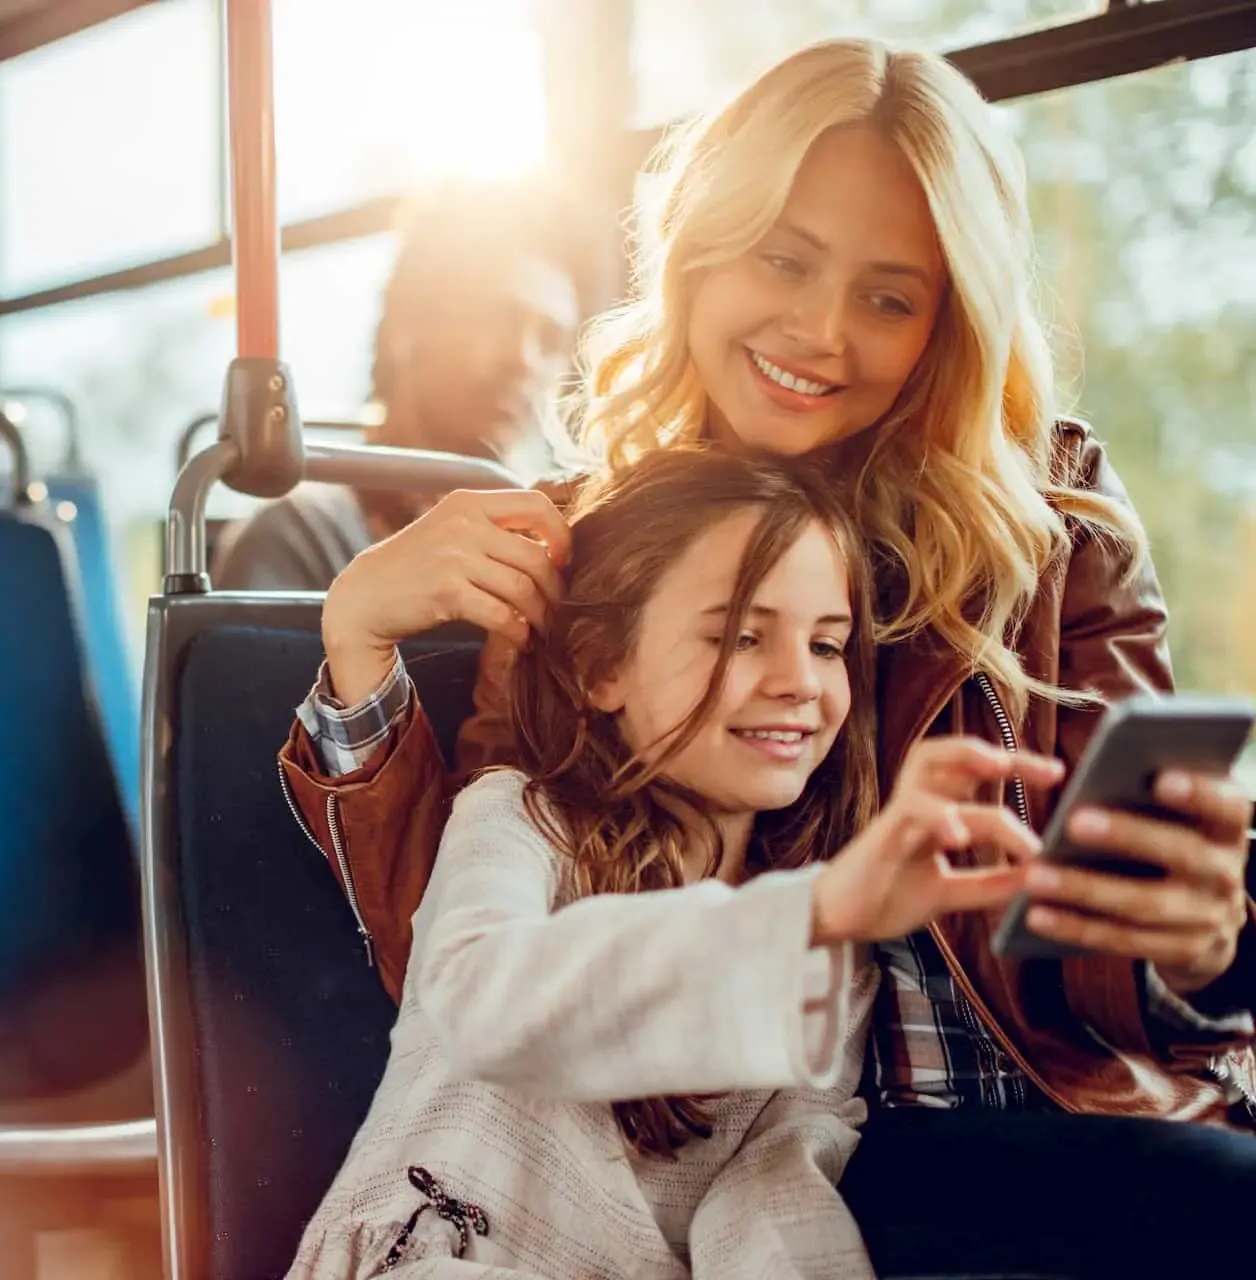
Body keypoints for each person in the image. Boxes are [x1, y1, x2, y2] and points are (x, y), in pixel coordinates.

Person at [275, 36, 1256, 1277]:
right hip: (787, 1131)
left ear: (948, 320)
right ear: (700, 246)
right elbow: (475, 981)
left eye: (890, 296)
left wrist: (1197, 938)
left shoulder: (1048, 514)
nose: (822, 332)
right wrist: (359, 642)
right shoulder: (592, 546)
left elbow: (1123, 924)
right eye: (783, 259)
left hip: (1045, 1097)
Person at [289, 448, 1061, 1280]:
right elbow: (484, 1007)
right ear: (599, 667)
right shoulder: (516, 820)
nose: (801, 681)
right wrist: (814, 914)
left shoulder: (826, 932)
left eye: (829, 645)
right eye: (741, 636)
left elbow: (773, 1181)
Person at [212, 181, 579, 590]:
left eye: (549, 340)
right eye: (496, 320)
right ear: (410, 325)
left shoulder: (547, 549)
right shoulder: (298, 538)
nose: (523, 359)